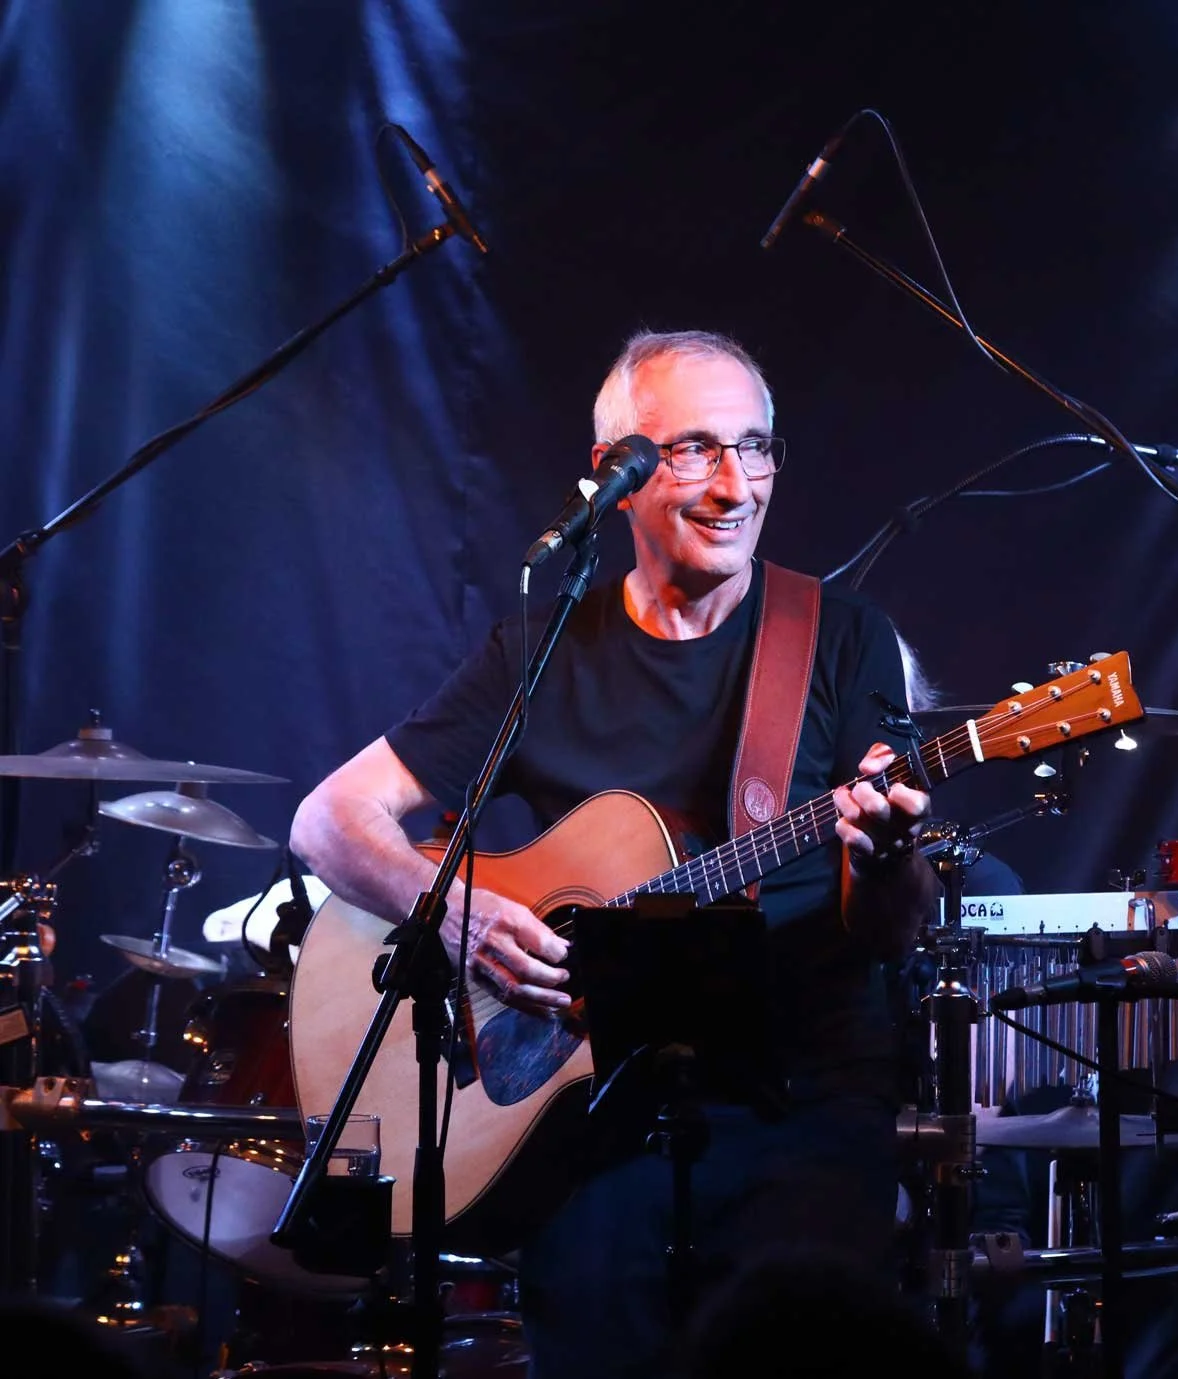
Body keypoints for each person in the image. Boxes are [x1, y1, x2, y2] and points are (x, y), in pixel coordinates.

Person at [290, 329, 938, 1379]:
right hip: (585, 1120)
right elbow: (329, 820)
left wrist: (891, 849)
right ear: (615, 479)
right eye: (693, 450)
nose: (735, 484)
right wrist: (454, 913)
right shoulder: (541, 646)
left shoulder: (840, 639)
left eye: (755, 447)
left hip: (798, 1096)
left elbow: (887, 926)